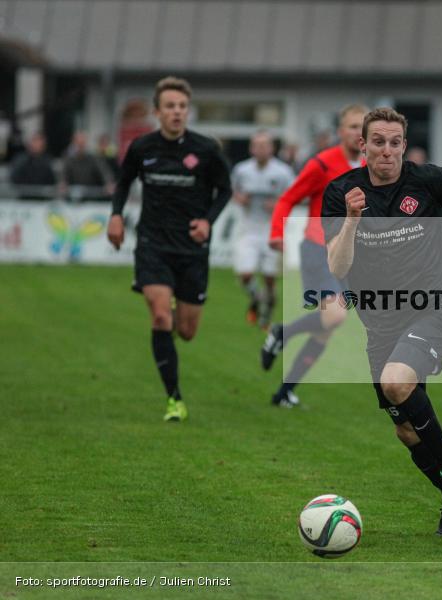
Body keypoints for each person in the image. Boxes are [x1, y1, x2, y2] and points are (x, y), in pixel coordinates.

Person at [322, 107, 442, 535]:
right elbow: (339, 265)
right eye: (377, 141)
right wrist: (352, 220)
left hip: (435, 304)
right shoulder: (341, 192)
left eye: (394, 142)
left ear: (403, 145)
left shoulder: (428, 180)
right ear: (362, 145)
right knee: (405, 430)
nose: (387, 150)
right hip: (380, 320)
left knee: (397, 382)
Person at [106, 76, 231, 422]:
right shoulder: (143, 148)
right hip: (152, 244)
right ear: (157, 112)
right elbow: (124, 181)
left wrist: (208, 221)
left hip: (191, 249)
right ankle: (174, 399)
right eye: (170, 107)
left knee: (187, 333)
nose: (177, 112)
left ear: (187, 111)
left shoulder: (206, 150)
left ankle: (176, 303)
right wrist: (116, 215)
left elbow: (225, 190)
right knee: (160, 315)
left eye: (182, 107)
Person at [262, 104, 368, 408]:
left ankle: (284, 392)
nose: (357, 132)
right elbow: (288, 198)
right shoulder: (322, 164)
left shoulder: (370, 166)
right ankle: (282, 332)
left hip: (349, 254)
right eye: (351, 126)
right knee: (334, 314)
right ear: (340, 131)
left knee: (328, 327)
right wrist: (276, 233)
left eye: (363, 126)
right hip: (317, 248)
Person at [231, 130, 295, 329]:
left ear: (272, 148)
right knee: (245, 274)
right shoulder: (242, 170)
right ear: (251, 148)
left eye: (264, 145)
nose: (260, 149)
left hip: (272, 230)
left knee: (269, 278)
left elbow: (294, 195)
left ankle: (266, 315)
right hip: (248, 229)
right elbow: (232, 190)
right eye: (256, 145)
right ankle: (256, 298)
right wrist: (239, 199)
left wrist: (278, 204)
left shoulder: (283, 172)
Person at [62, 131, 115, 201]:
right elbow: (63, 174)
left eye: (82, 144)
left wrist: (109, 183)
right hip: (73, 197)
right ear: (74, 143)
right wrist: (63, 183)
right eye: (78, 144)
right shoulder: (68, 159)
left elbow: (104, 171)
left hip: (91, 197)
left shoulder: (93, 158)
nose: (80, 147)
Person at [10, 132, 57, 200]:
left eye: (40, 142)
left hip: (42, 199)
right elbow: (15, 178)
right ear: (30, 143)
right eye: (36, 141)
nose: (38, 144)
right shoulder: (20, 160)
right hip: (24, 198)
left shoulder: (47, 161)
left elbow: (51, 180)